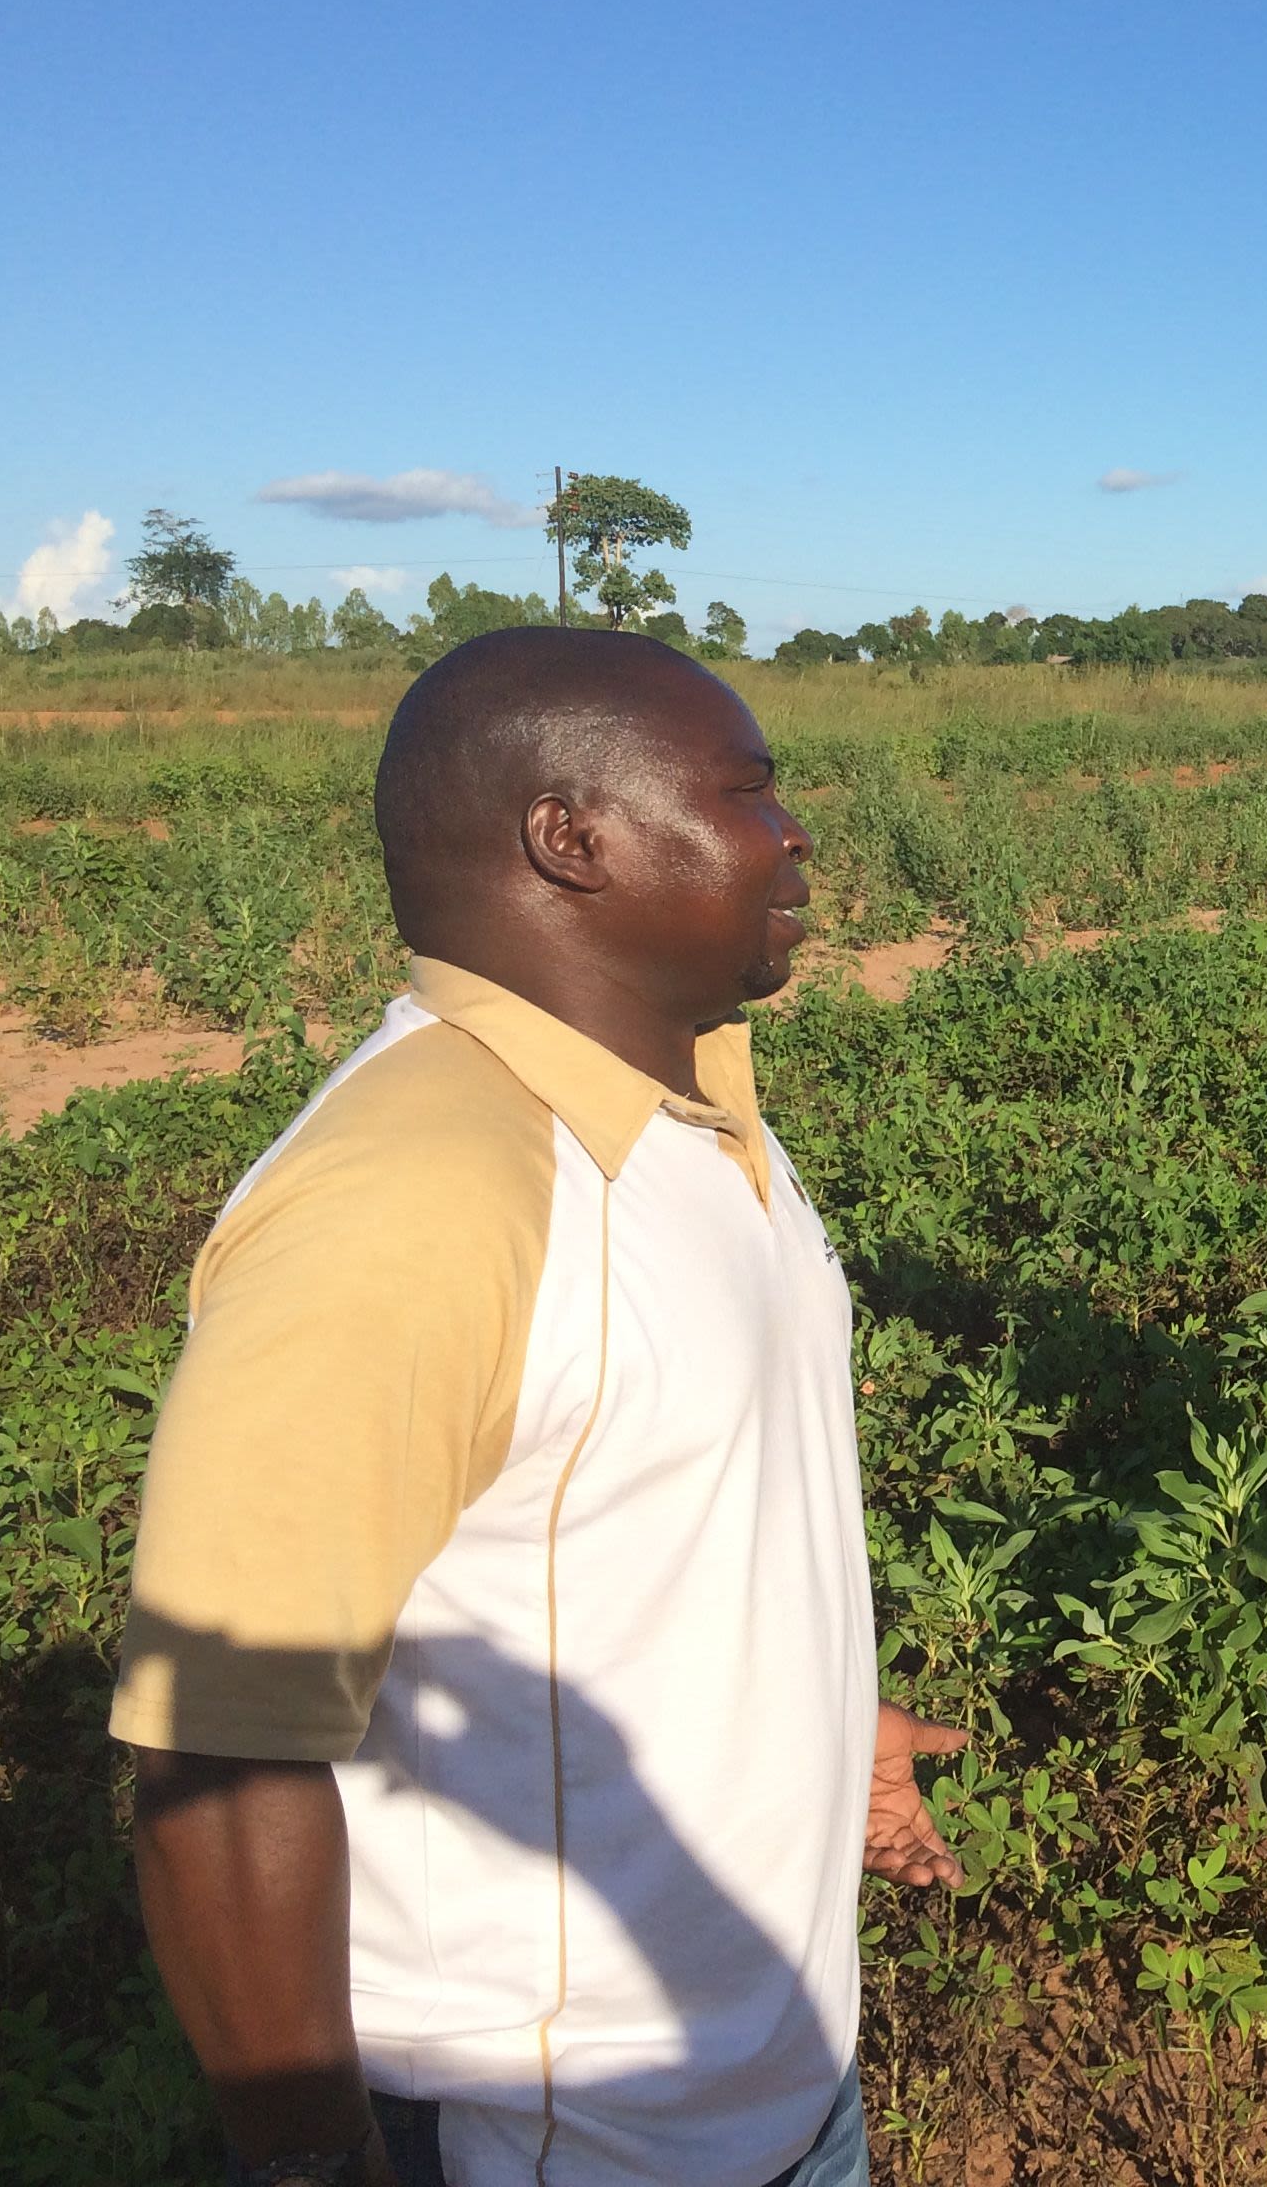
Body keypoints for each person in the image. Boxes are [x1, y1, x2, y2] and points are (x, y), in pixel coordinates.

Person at [113, 628, 970, 2187]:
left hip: (766, 2093)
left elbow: (654, 1516)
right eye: (746, 792)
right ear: (569, 838)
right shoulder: (416, 1196)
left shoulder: (687, 1112)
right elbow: (219, 1759)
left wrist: (830, 1726)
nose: (795, 835)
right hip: (563, 2143)